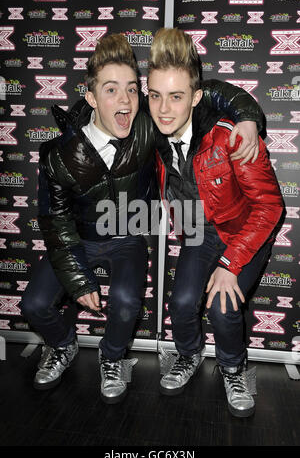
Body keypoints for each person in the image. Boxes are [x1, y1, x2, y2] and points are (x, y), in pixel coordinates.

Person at [21, 32, 265, 404]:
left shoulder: (150, 126)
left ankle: (124, 358)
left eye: (133, 90)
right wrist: (78, 278)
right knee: (34, 304)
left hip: (139, 232)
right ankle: (64, 346)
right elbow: (55, 222)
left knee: (142, 300)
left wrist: (246, 116)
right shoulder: (60, 154)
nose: (127, 101)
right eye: (111, 90)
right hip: (82, 237)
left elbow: (197, 93)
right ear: (90, 97)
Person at [148, 28, 283, 417]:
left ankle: (234, 367)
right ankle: (188, 355)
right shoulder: (153, 133)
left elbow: (270, 208)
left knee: (224, 307)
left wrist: (230, 263)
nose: (164, 109)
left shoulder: (231, 137)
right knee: (182, 302)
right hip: (200, 231)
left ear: (195, 97)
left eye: (176, 97)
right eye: (156, 96)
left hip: (244, 231)